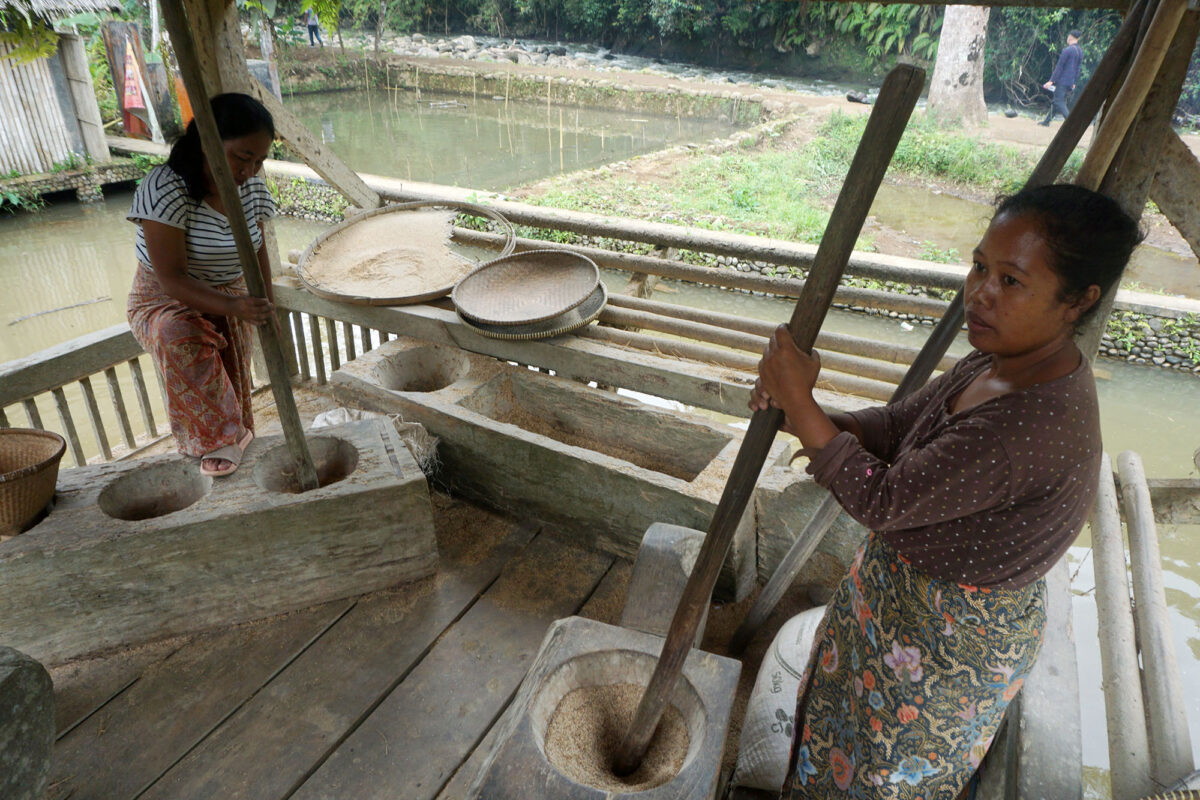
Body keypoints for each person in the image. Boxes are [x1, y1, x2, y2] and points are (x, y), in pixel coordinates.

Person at [751, 184, 1141, 799]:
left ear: (1078, 301)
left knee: (877, 780)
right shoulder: (997, 361)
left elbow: (885, 500)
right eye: (979, 266)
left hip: (942, 648)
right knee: (834, 752)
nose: (981, 292)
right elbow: (900, 426)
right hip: (890, 610)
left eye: (1011, 281)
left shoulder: (1029, 423)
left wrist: (801, 404)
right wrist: (811, 415)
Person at [127, 93, 277, 477]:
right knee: (178, 334)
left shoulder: (253, 191)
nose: (250, 170)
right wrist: (236, 307)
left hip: (230, 292)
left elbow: (258, 252)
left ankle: (235, 435)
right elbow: (171, 277)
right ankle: (219, 438)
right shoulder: (166, 187)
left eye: (259, 161)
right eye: (242, 158)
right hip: (165, 298)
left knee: (230, 375)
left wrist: (266, 304)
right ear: (207, 142)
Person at [1039, 30, 1082, 126]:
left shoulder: (1067, 50)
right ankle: (1046, 122)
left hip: (1063, 81)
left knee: (1059, 101)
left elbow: (1060, 66)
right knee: (1056, 102)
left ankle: (1071, 122)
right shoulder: (1079, 51)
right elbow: (1078, 68)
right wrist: (1074, 82)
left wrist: (1051, 81)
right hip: (1070, 82)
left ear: (1070, 37)